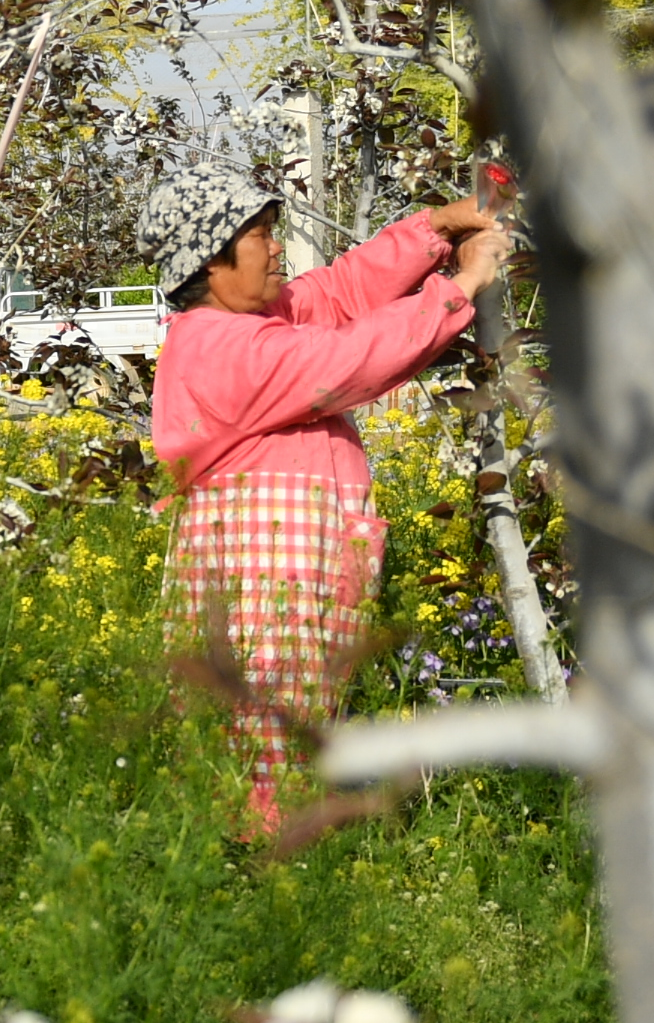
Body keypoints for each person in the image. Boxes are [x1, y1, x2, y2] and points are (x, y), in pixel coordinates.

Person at [142, 172, 508, 836]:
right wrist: (457, 289)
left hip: (290, 586)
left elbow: (340, 293)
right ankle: (264, 885)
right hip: (265, 595)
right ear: (211, 258)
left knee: (279, 743)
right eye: (260, 237)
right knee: (265, 756)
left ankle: (266, 871)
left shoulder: (245, 323)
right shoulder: (220, 347)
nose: (276, 250)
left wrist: (437, 229)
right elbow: (349, 358)